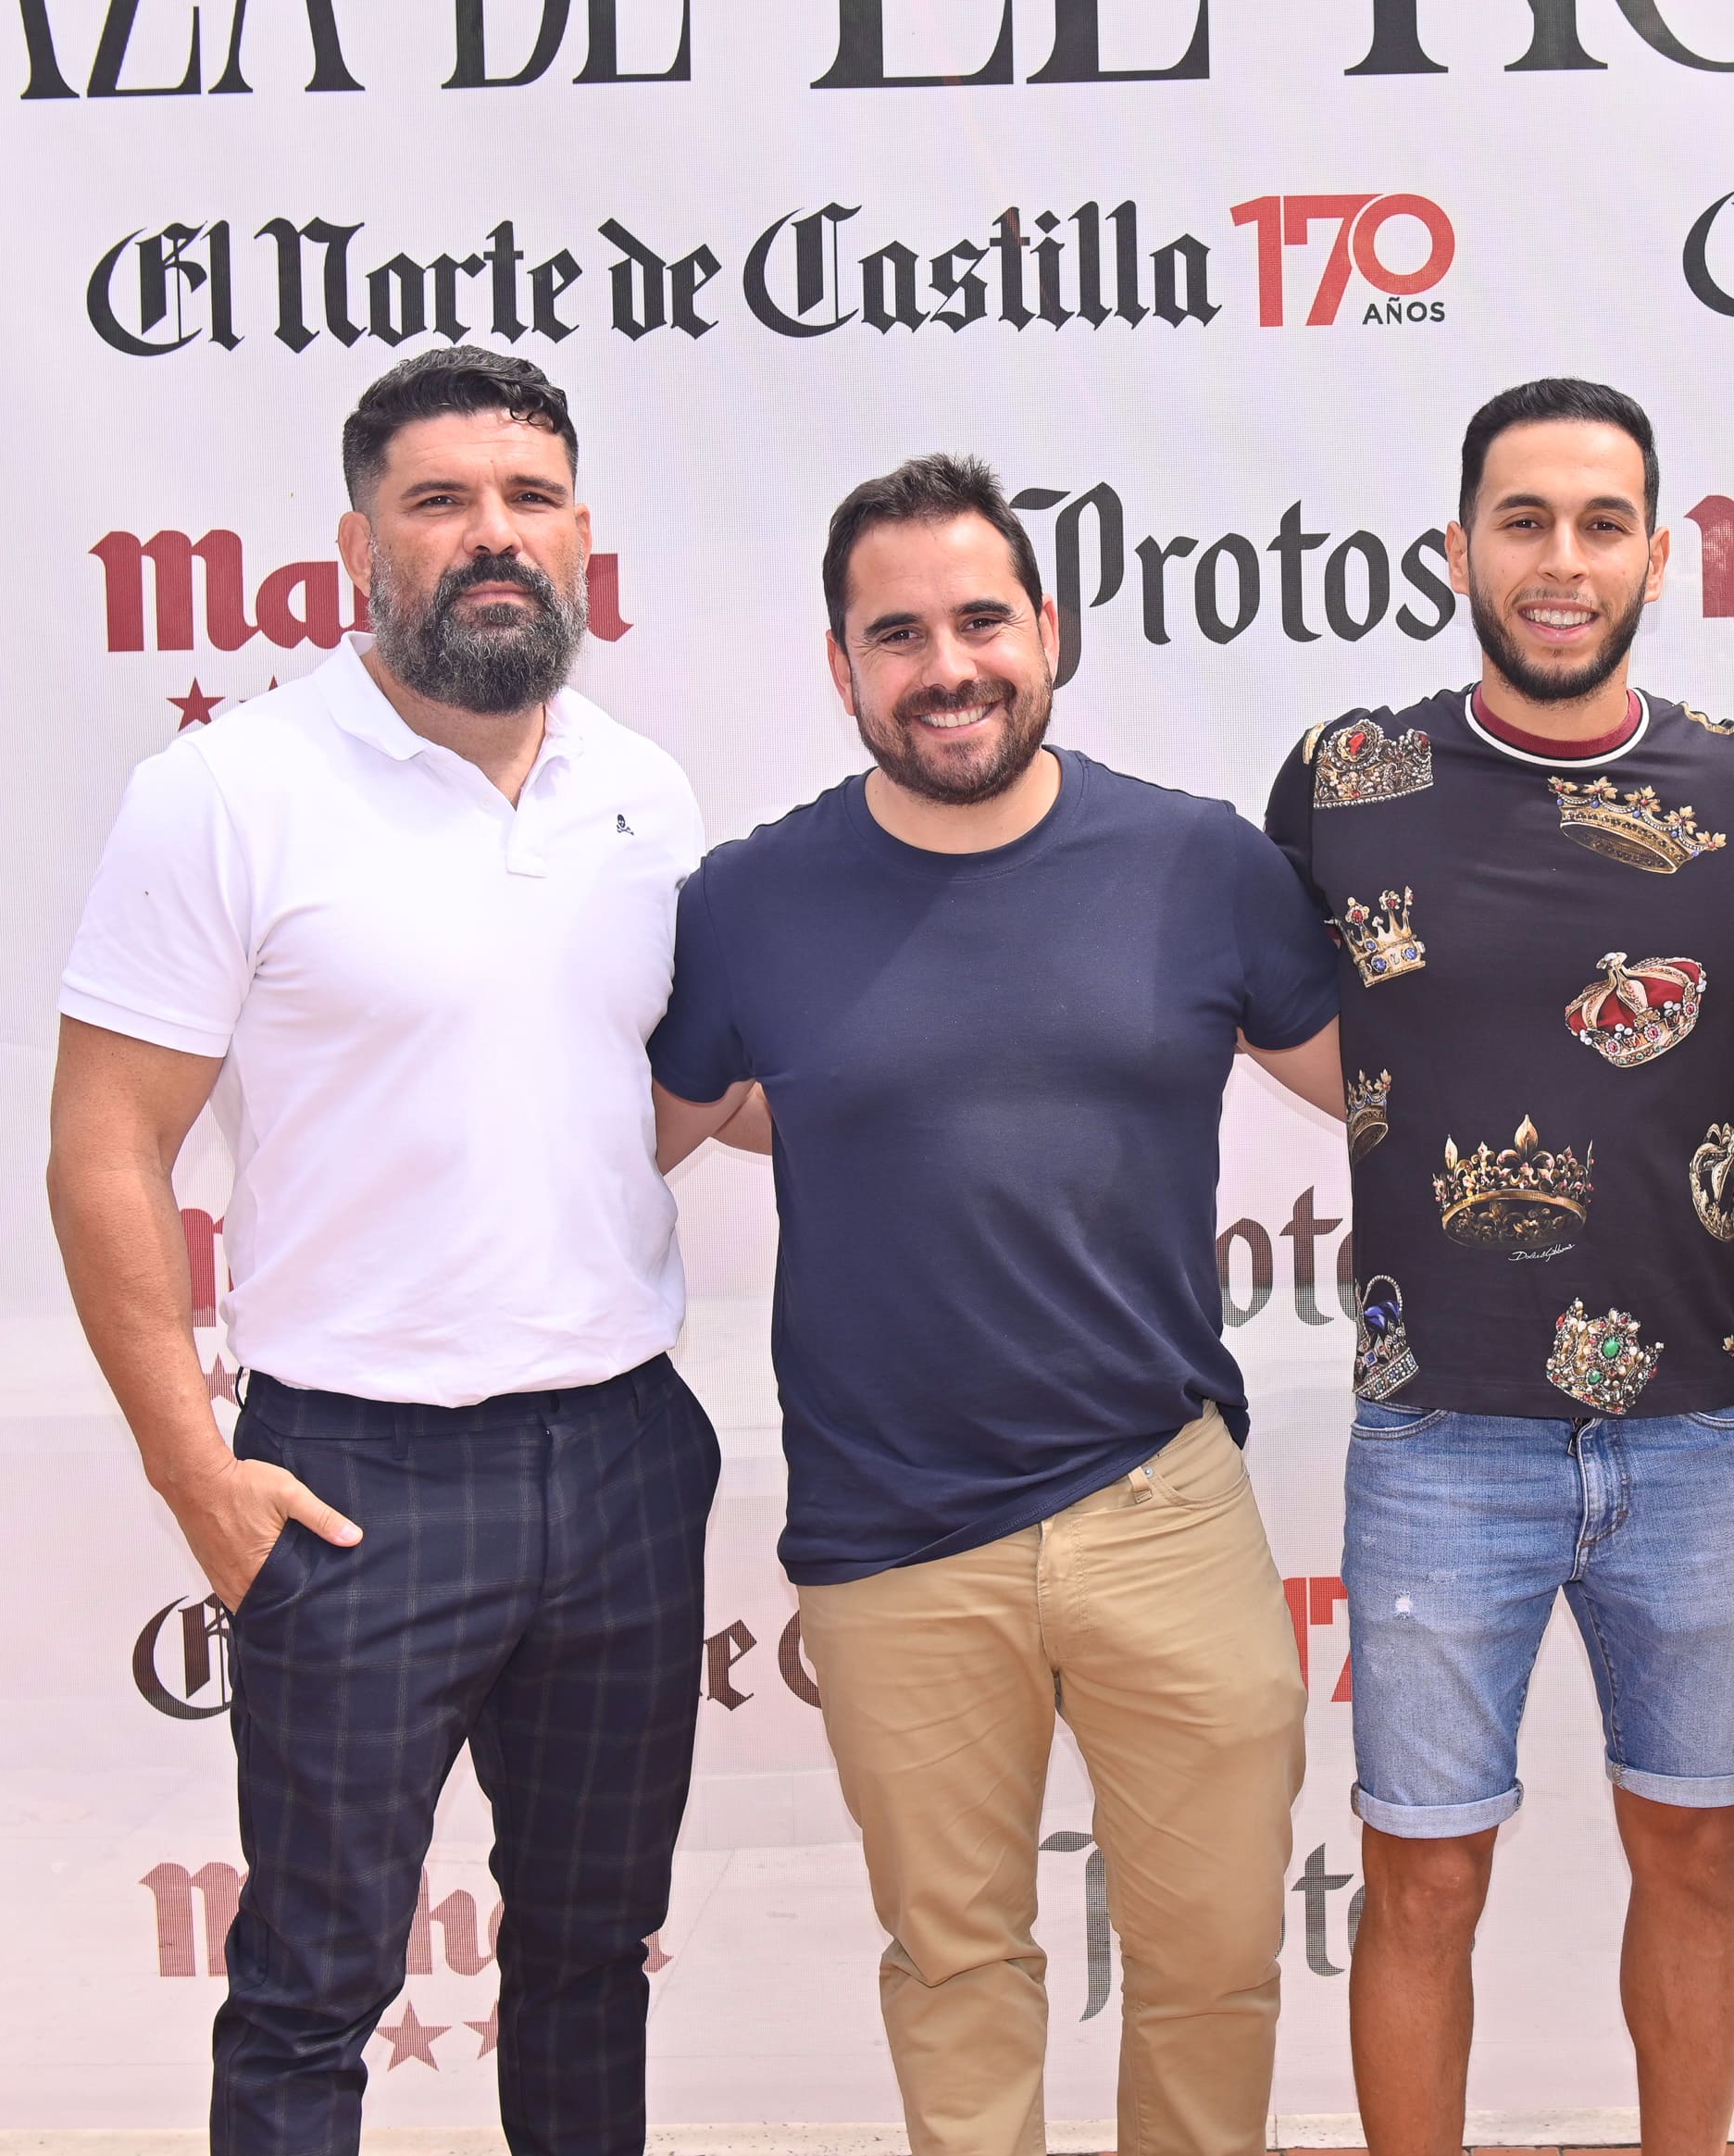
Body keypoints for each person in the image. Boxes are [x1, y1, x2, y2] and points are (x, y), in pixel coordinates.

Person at [48, 348, 724, 2156]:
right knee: (312, 1983)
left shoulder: (645, 793)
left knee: (589, 1960)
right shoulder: (230, 790)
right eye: (440, 502)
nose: (487, 535)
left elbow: (647, 1090)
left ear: (580, 536)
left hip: (626, 1457)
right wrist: (193, 1462)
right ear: (361, 545)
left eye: (525, 499)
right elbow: (107, 1144)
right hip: (356, 1475)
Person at [646, 455, 1340, 2156]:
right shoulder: (750, 899)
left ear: (1052, 629)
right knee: (957, 1967)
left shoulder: (1203, 867)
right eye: (899, 633)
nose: (946, 664)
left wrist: (1683, 1173)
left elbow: (1395, 1099)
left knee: (1217, 1962)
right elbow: (625, 1145)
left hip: (1164, 1503)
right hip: (894, 1539)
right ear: (843, 668)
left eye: (979, 619)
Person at [1262, 380, 1734, 2156]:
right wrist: (1421, 1108)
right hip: (1438, 1435)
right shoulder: (1350, 781)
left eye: (1599, 524)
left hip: (1694, 1431)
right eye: (1524, 522)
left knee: (1701, 1845)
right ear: (1460, 550)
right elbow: (1282, 1016)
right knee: (1421, 1876)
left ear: (1658, 551)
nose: (1560, 561)